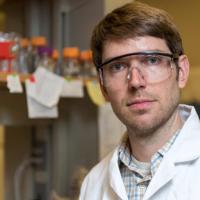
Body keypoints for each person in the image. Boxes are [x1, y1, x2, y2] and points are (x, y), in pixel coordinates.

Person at [79, 1, 200, 199]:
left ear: (182, 72)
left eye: (152, 60)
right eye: (118, 67)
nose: (135, 81)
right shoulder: (93, 185)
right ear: (102, 85)